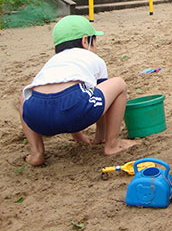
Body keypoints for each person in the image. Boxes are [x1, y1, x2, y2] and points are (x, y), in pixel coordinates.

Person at [20, 15, 136, 166]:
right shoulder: (93, 59)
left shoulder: (52, 62)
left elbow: (58, 96)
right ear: (85, 41)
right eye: (94, 42)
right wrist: (99, 136)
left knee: (25, 96)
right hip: (74, 107)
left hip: (36, 116)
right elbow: (102, 99)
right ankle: (112, 144)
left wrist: (78, 136)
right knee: (118, 84)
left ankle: (36, 153)